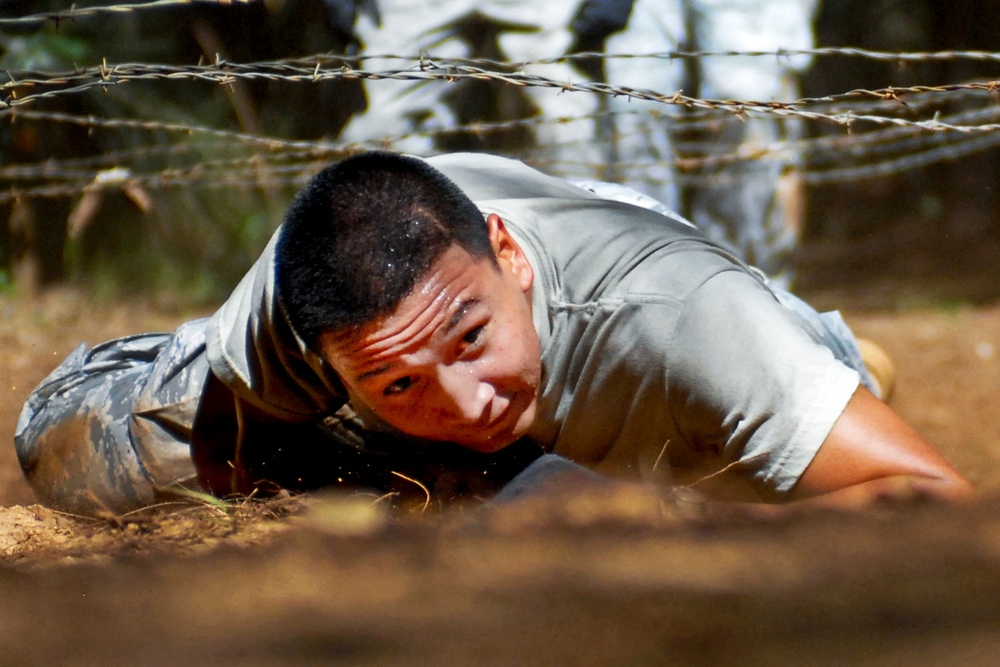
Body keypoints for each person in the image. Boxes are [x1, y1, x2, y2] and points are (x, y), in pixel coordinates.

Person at [14, 151, 972, 517]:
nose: (466, 402)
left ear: (507, 254)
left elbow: (936, 496)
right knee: (76, 451)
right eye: (400, 381)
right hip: (344, 384)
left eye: (469, 338)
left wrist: (667, 522)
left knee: (777, 412)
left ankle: (838, 353)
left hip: (691, 352)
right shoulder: (278, 314)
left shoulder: (689, 319)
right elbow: (226, 438)